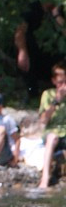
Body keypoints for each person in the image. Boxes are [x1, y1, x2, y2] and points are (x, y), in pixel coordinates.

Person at [37, 61, 66, 189]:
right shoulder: (47, 95)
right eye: (60, 82)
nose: (63, 86)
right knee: (52, 138)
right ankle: (44, 179)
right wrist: (56, 102)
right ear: (54, 81)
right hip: (52, 131)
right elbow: (43, 121)